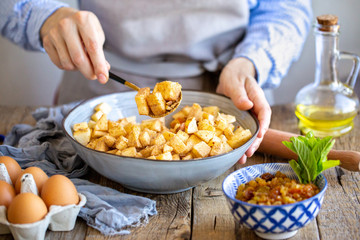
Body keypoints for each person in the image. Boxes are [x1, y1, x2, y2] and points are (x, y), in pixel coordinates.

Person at [0, 0, 312, 163]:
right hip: (100, 84)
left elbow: (287, 7)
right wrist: (46, 17)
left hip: (230, 86)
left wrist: (251, 62)